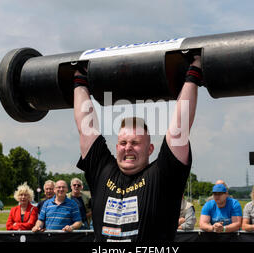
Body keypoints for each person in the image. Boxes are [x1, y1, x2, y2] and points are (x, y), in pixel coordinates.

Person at [73, 56, 202, 241]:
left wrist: (194, 72)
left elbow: (178, 131)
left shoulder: (163, 175)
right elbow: (86, 129)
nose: (128, 148)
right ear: (117, 146)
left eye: (135, 143)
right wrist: (79, 78)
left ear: (150, 149)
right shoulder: (102, 170)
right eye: (124, 143)